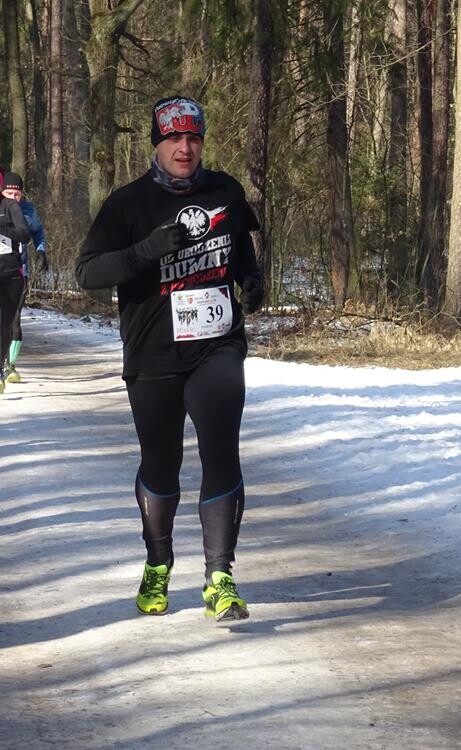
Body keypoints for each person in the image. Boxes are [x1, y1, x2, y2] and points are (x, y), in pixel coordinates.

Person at [76, 96, 265, 622]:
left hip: (218, 346)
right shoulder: (127, 204)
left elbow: (241, 249)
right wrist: (145, 251)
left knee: (221, 449)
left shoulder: (224, 190)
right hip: (153, 353)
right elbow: (86, 273)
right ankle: (158, 561)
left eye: (194, 138)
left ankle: (220, 577)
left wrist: (251, 279)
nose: (185, 148)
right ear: (157, 144)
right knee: (162, 464)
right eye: (174, 139)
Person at [2, 171, 48, 385]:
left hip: (20, 272)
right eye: (9, 193)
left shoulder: (28, 211)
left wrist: (41, 251)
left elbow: (38, 232)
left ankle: (9, 366)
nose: (13, 198)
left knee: (14, 320)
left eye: (17, 194)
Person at [0, 175, 32, 395]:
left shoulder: (11, 207)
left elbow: (25, 234)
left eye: (16, 192)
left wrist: (2, 229)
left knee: (6, 325)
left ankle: (2, 367)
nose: (13, 195)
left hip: (11, 273)